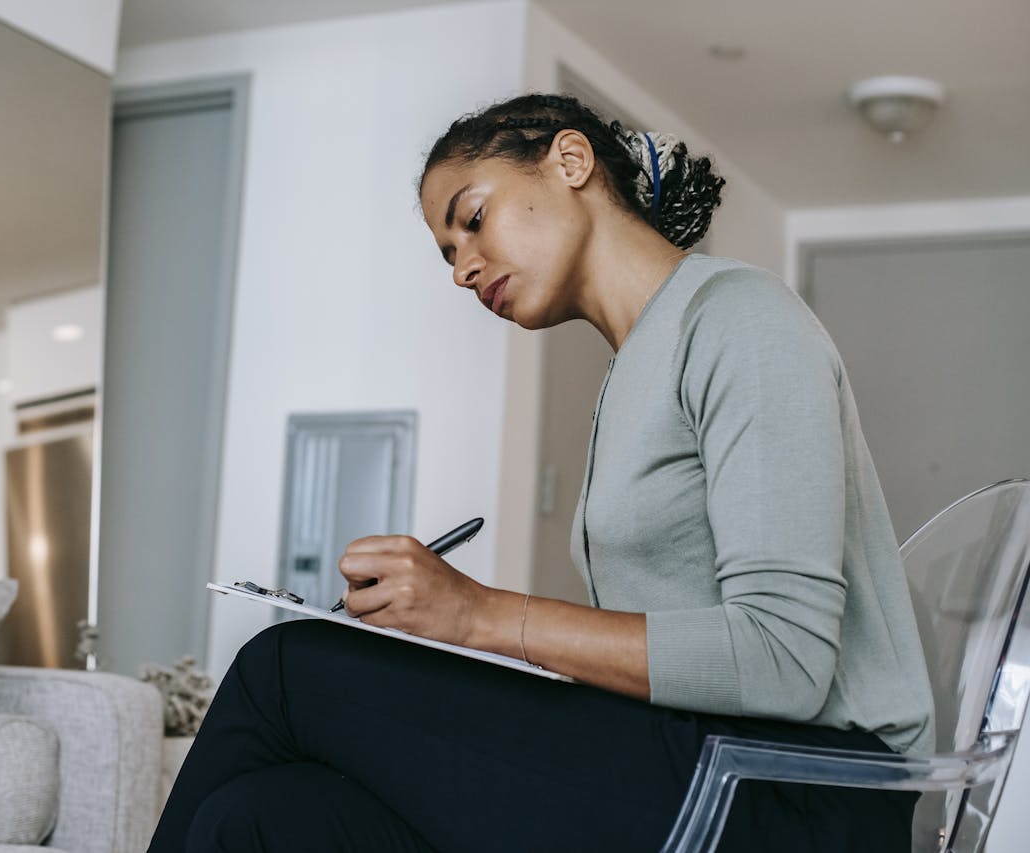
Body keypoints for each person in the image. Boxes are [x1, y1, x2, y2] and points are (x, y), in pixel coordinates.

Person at [148, 93, 935, 852]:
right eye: (449, 253)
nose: (462, 268)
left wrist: (477, 615)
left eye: (473, 219)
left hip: (802, 795)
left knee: (282, 669)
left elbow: (785, 661)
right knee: (257, 817)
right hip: (696, 764)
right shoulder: (632, 371)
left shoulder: (741, 319)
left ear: (570, 159)